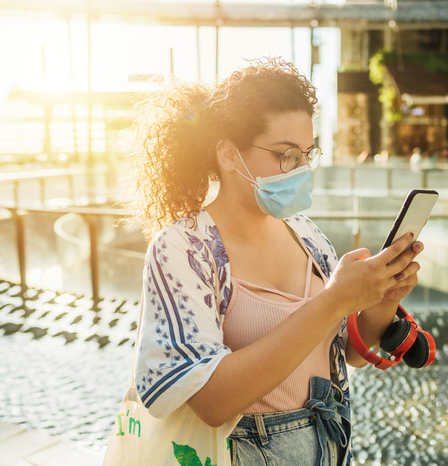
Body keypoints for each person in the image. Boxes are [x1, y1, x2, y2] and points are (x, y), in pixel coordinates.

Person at [129, 57, 423, 465]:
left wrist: (383, 296)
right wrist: (335, 299)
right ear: (229, 154)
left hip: (328, 444)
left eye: (307, 153)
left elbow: (346, 354)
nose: (301, 169)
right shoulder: (182, 249)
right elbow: (212, 402)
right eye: (286, 155)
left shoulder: (306, 235)